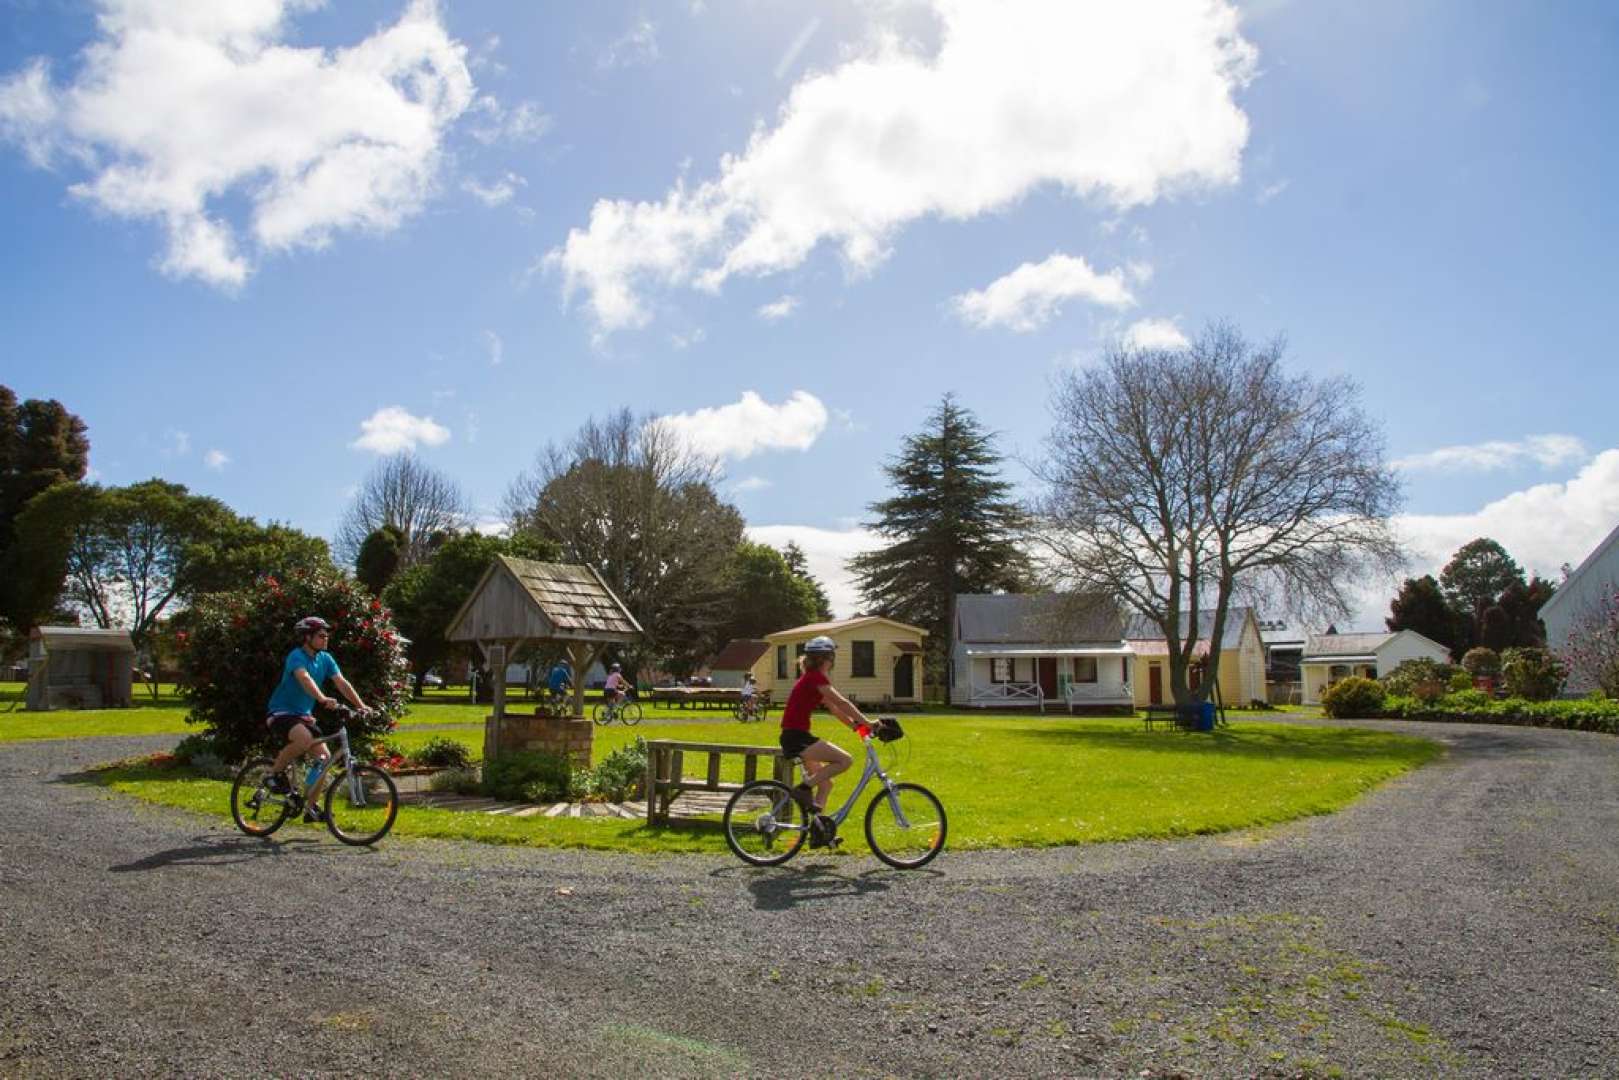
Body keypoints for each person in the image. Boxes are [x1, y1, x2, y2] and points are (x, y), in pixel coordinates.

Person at [779, 635, 881, 847]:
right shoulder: (816, 678)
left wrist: (856, 727)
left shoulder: (812, 679)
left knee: (825, 783)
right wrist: (868, 722)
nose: (832, 661)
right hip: (797, 737)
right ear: (826, 659)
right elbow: (842, 702)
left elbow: (834, 709)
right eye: (831, 657)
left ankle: (819, 833)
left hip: (795, 735)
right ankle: (803, 789)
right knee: (845, 760)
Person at [264, 616, 369, 821]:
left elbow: (341, 682)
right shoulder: (296, 656)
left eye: (327, 635)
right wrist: (321, 698)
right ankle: (273, 775)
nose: (326, 638)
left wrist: (361, 706)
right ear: (307, 637)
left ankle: (310, 807)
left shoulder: (326, 659)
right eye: (321, 635)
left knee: (324, 759)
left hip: (304, 716)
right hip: (281, 712)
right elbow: (304, 678)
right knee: (303, 740)